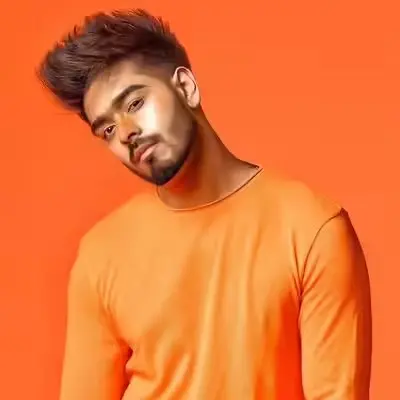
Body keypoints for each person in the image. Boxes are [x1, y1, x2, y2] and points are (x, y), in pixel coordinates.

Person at [37, 8, 372, 400]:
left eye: (135, 103)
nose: (126, 133)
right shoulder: (101, 253)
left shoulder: (314, 229)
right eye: (108, 129)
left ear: (185, 87)